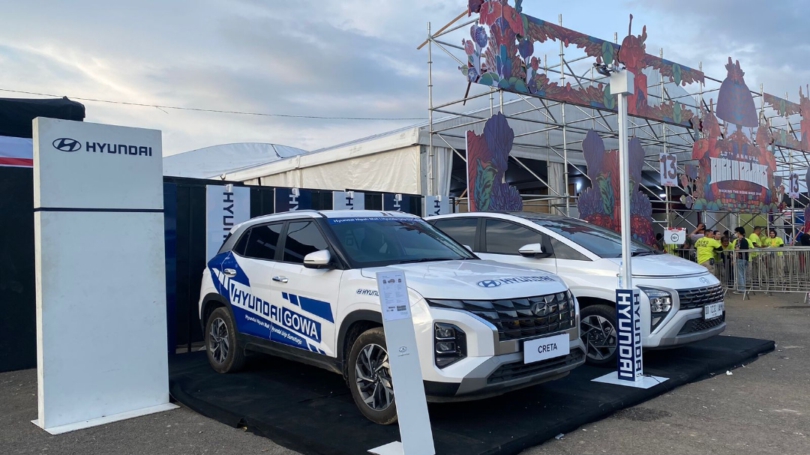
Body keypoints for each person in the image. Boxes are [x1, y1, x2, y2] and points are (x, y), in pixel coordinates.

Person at [733, 227, 750, 294]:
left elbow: (737, 250)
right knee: (743, 274)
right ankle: (743, 288)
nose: (735, 234)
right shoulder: (745, 240)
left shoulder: (739, 240)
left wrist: (734, 258)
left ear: (738, 232)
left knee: (740, 275)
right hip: (745, 259)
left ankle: (741, 289)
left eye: (735, 232)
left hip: (740, 259)